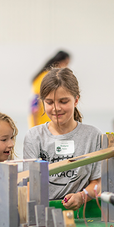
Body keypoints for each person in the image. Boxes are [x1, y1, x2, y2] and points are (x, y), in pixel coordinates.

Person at [23, 67, 102, 211]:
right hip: (43, 215)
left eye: (63, 101)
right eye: (49, 102)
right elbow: (29, 185)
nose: (56, 108)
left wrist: (81, 196)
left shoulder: (93, 136)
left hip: (81, 216)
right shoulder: (33, 137)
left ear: (76, 100)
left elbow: (98, 182)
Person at [29, 50, 70, 128]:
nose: (67, 67)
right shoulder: (46, 77)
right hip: (42, 125)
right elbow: (34, 103)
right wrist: (35, 129)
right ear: (59, 62)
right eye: (66, 64)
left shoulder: (48, 76)